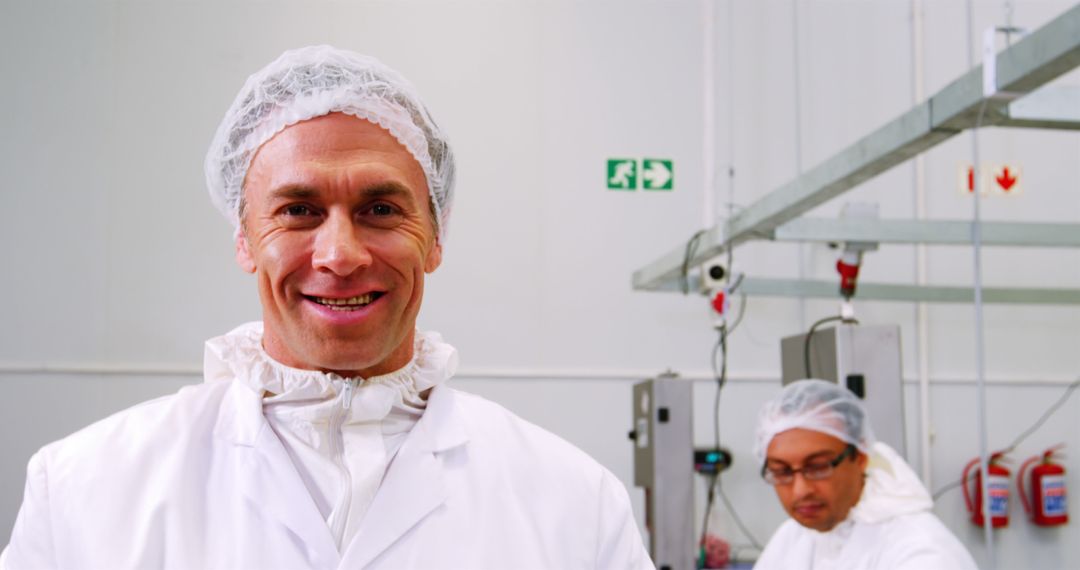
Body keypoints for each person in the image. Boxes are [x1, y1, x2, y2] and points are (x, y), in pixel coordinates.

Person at [1, 45, 652, 570]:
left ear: (436, 237)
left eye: (380, 209)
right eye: (298, 210)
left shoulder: (574, 504)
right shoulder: (86, 490)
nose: (339, 254)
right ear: (244, 236)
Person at [752, 379, 976, 570]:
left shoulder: (921, 552)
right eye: (781, 471)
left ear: (860, 457)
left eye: (818, 467)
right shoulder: (796, 536)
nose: (800, 490)